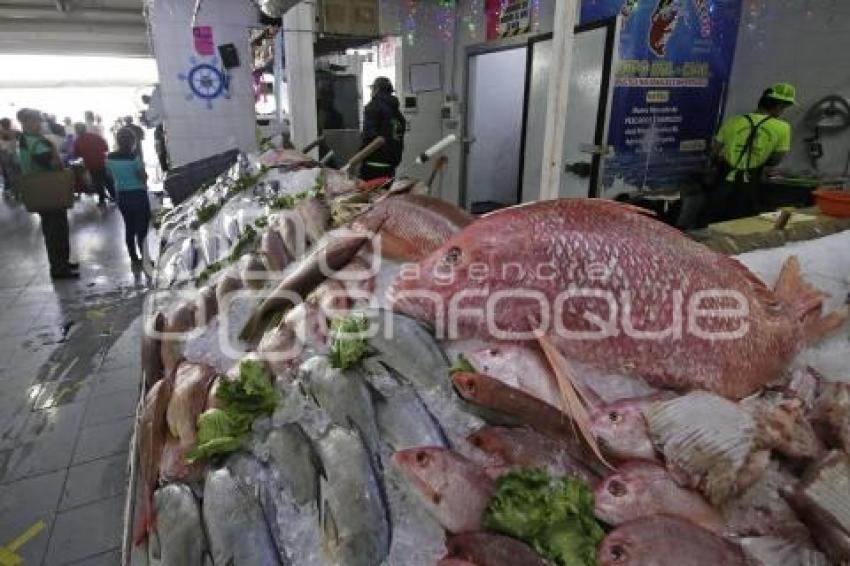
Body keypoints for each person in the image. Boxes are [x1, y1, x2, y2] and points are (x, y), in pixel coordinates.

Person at [708, 83, 796, 222]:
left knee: (711, 220)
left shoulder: (733, 121)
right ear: (779, 106)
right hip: (750, 183)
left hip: (723, 180)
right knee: (740, 222)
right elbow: (776, 160)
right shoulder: (783, 128)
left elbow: (714, 151)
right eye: (784, 107)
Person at [16, 108, 79, 279]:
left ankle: (62, 263)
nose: (40, 124)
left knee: (54, 229)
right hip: (49, 190)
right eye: (37, 121)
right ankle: (59, 268)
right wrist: (54, 151)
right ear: (27, 122)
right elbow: (54, 165)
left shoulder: (25, 140)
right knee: (56, 230)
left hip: (41, 192)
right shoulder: (35, 142)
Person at [106, 127, 151, 269]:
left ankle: (133, 258)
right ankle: (145, 258)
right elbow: (142, 178)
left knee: (129, 227)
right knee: (141, 229)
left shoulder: (110, 158)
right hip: (138, 195)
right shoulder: (134, 158)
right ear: (132, 142)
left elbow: (109, 175)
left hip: (122, 196)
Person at [359, 77, 406, 181]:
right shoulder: (398, 115)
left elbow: (369, 138)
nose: (371, 93)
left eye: (372, 89)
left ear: (376, 89)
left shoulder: (373, 107)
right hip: (390, 168)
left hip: (372, 167)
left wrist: (354, 161)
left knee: (371, 197)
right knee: (386, 196)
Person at [73, 122, 112, 205]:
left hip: (90, 164)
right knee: (107, 179)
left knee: (97, 182)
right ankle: (114, 196)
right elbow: (106, 148)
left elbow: (77, 153)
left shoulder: (78, 141)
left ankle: (102, 200)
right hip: (102, 161)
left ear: (76, 131)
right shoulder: (95, 136)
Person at [0, 118, 19, 195]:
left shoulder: (1, 133)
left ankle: (11, 188)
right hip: (12, 154)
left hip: (5, 154)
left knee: (8, 172)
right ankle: (15, 188)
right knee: (14, 171)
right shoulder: (14, 132)